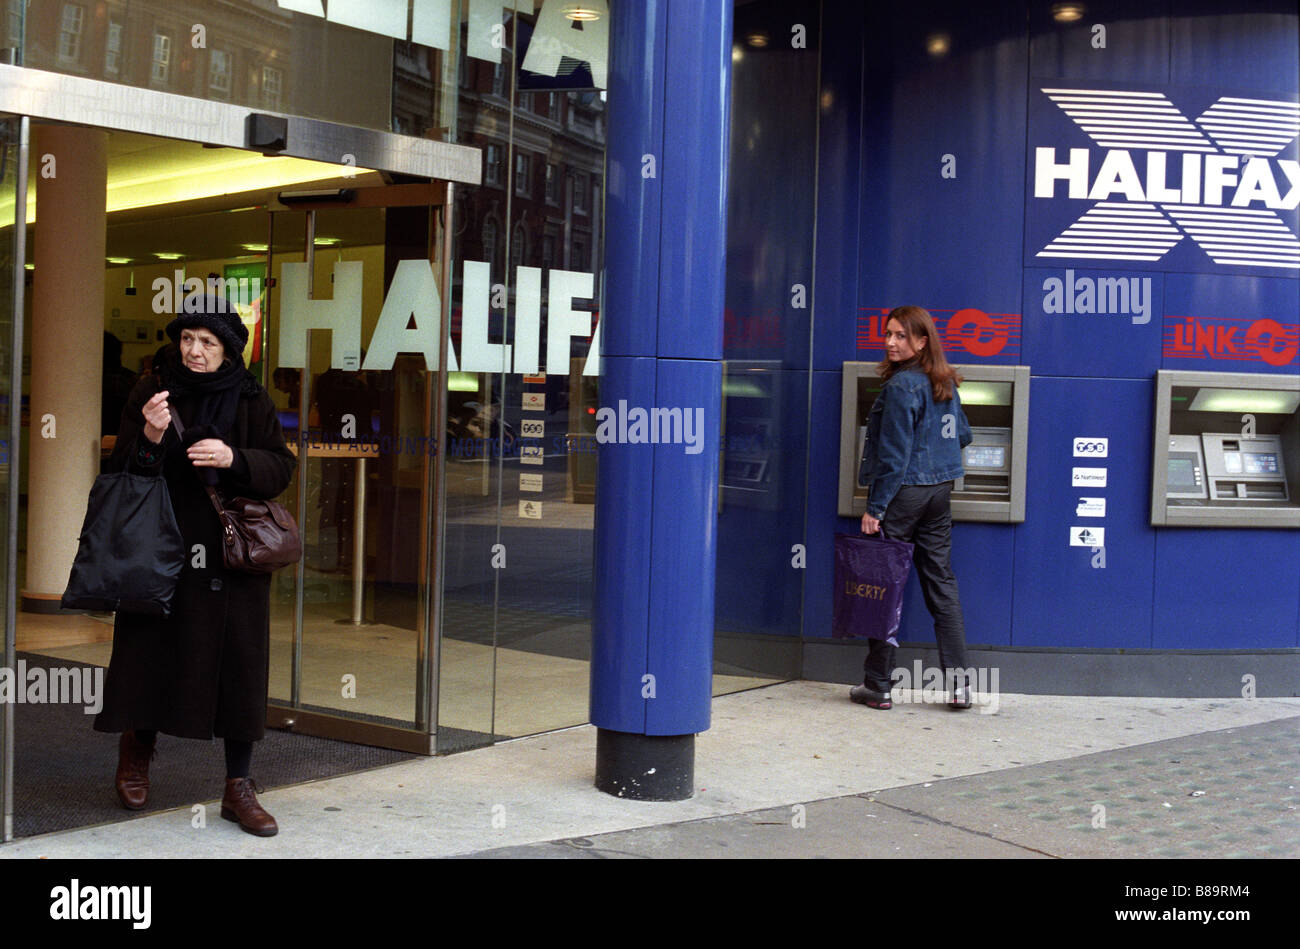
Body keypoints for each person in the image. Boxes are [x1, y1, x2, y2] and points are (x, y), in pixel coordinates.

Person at [93, 294, 296, 836]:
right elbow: (125, 469)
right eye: (187, 339)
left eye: (207, 343)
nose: (194, 351)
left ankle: (239, 786)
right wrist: (152, 436)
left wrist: (236, 459)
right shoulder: (151, 388)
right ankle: (137, 749)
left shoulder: (251, 398)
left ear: (229, 351)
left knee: (240, 661)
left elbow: (280, 468)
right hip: (160, 542)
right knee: (147, 649)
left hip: (230, 552)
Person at [850, 305, 974, 711]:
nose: (890, 342)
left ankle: (878, 685)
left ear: (922, 341)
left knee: (886, 588)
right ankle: (959, 686)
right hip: (939, 493)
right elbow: (965, 434)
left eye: (901, 335)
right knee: (942, 585)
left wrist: (876, 508)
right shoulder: (944, 380)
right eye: (888, 334)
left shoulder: (903, 386)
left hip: (904, 495)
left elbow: (895, 456)